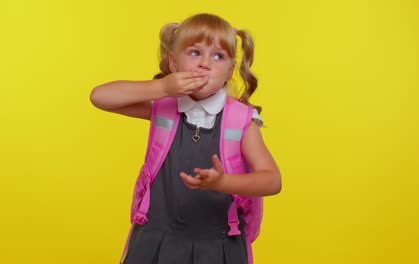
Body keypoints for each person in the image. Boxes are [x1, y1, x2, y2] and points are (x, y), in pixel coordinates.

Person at [90, 13, 281, 264]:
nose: (205, 64)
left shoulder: (241, 121)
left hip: (220, 243)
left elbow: (272, 180)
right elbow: (100, 97)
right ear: (174, 63)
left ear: (229, 71)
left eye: (218, 56)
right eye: (194, 53)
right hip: (156, 238)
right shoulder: (163, 107)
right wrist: (162, 88)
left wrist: (223, 182)